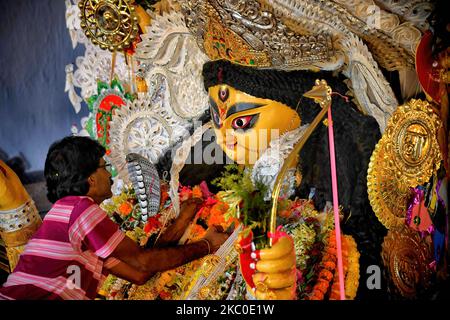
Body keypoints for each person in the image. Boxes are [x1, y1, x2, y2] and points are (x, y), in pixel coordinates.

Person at [0, 136, 229, 300]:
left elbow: (140, 273)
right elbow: (143, 261)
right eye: (104, 167)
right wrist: (207, 245)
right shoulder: (79, 210)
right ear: (91, 179)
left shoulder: (65, 217)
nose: (109, 174)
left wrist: (181, 222)